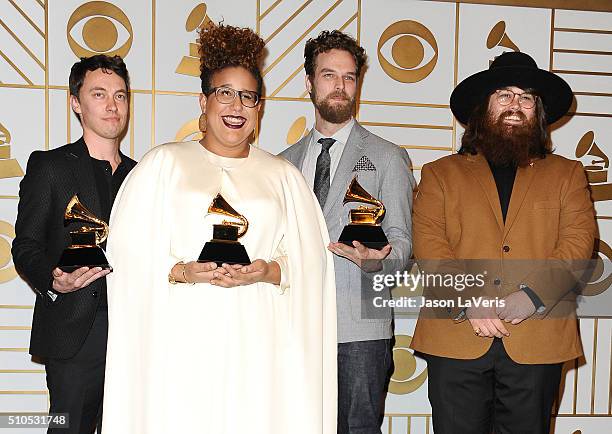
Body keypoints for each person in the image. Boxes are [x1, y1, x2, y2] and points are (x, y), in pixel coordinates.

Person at [101, 24, 337, 434]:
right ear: (203, 100)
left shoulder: (283, 177)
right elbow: (128, 252)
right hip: (183, 337)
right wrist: (182, 270)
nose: (236, 105)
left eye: (248, 96)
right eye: (224, 92)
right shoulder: (163, 165)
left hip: (259, 338)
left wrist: (267, 270)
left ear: (259, 107)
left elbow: (310, 262)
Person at [410, 52, 597, 434]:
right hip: (456, 336)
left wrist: (530, 296)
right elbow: (429, 245)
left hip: (538, 337)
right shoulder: (439, 173)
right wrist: (470, 300)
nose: (516, 105)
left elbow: (578, 243)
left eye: (527, 98)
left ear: (538, 113)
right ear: (483, 108)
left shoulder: (568, 174)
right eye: (504, 95)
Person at [280, 30, 414, 434]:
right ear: (309, 83)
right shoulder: (283, 163)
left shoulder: (388, 157)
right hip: (295, 326)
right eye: (328, 75)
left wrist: (379, 260)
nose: (340, 86)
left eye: (349, 77)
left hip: (361, 329)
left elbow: (404, 246)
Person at [12, 55, 136, 434]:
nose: (112, 105)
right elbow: (26, 245)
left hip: (133, 329)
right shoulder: (50, 166)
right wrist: (53, 279)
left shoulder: (142, 174)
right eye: (99, 94)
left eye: (120, 95)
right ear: (75, 103)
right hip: (74, 328)